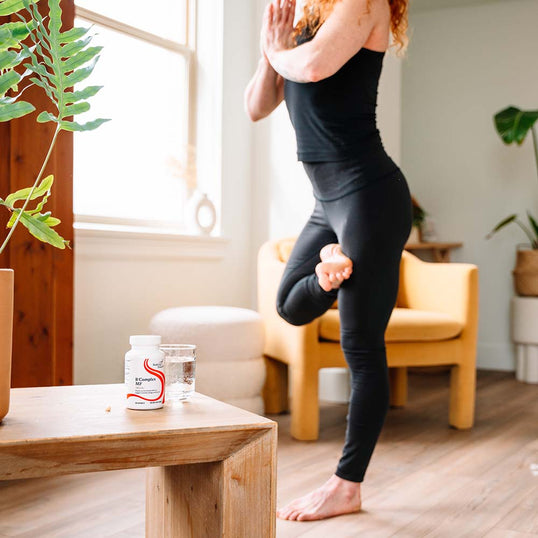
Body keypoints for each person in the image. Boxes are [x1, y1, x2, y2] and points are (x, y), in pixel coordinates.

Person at [244, 0, 412, 522]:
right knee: (291, 305)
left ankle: (347, 486)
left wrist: (280, 49)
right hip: (327, 201)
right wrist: (269, 48)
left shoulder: (365, 4)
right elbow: (256, 105)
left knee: (361, 346)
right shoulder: (304, 23)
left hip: (370, 195)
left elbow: (313, 67)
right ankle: (328, 272)